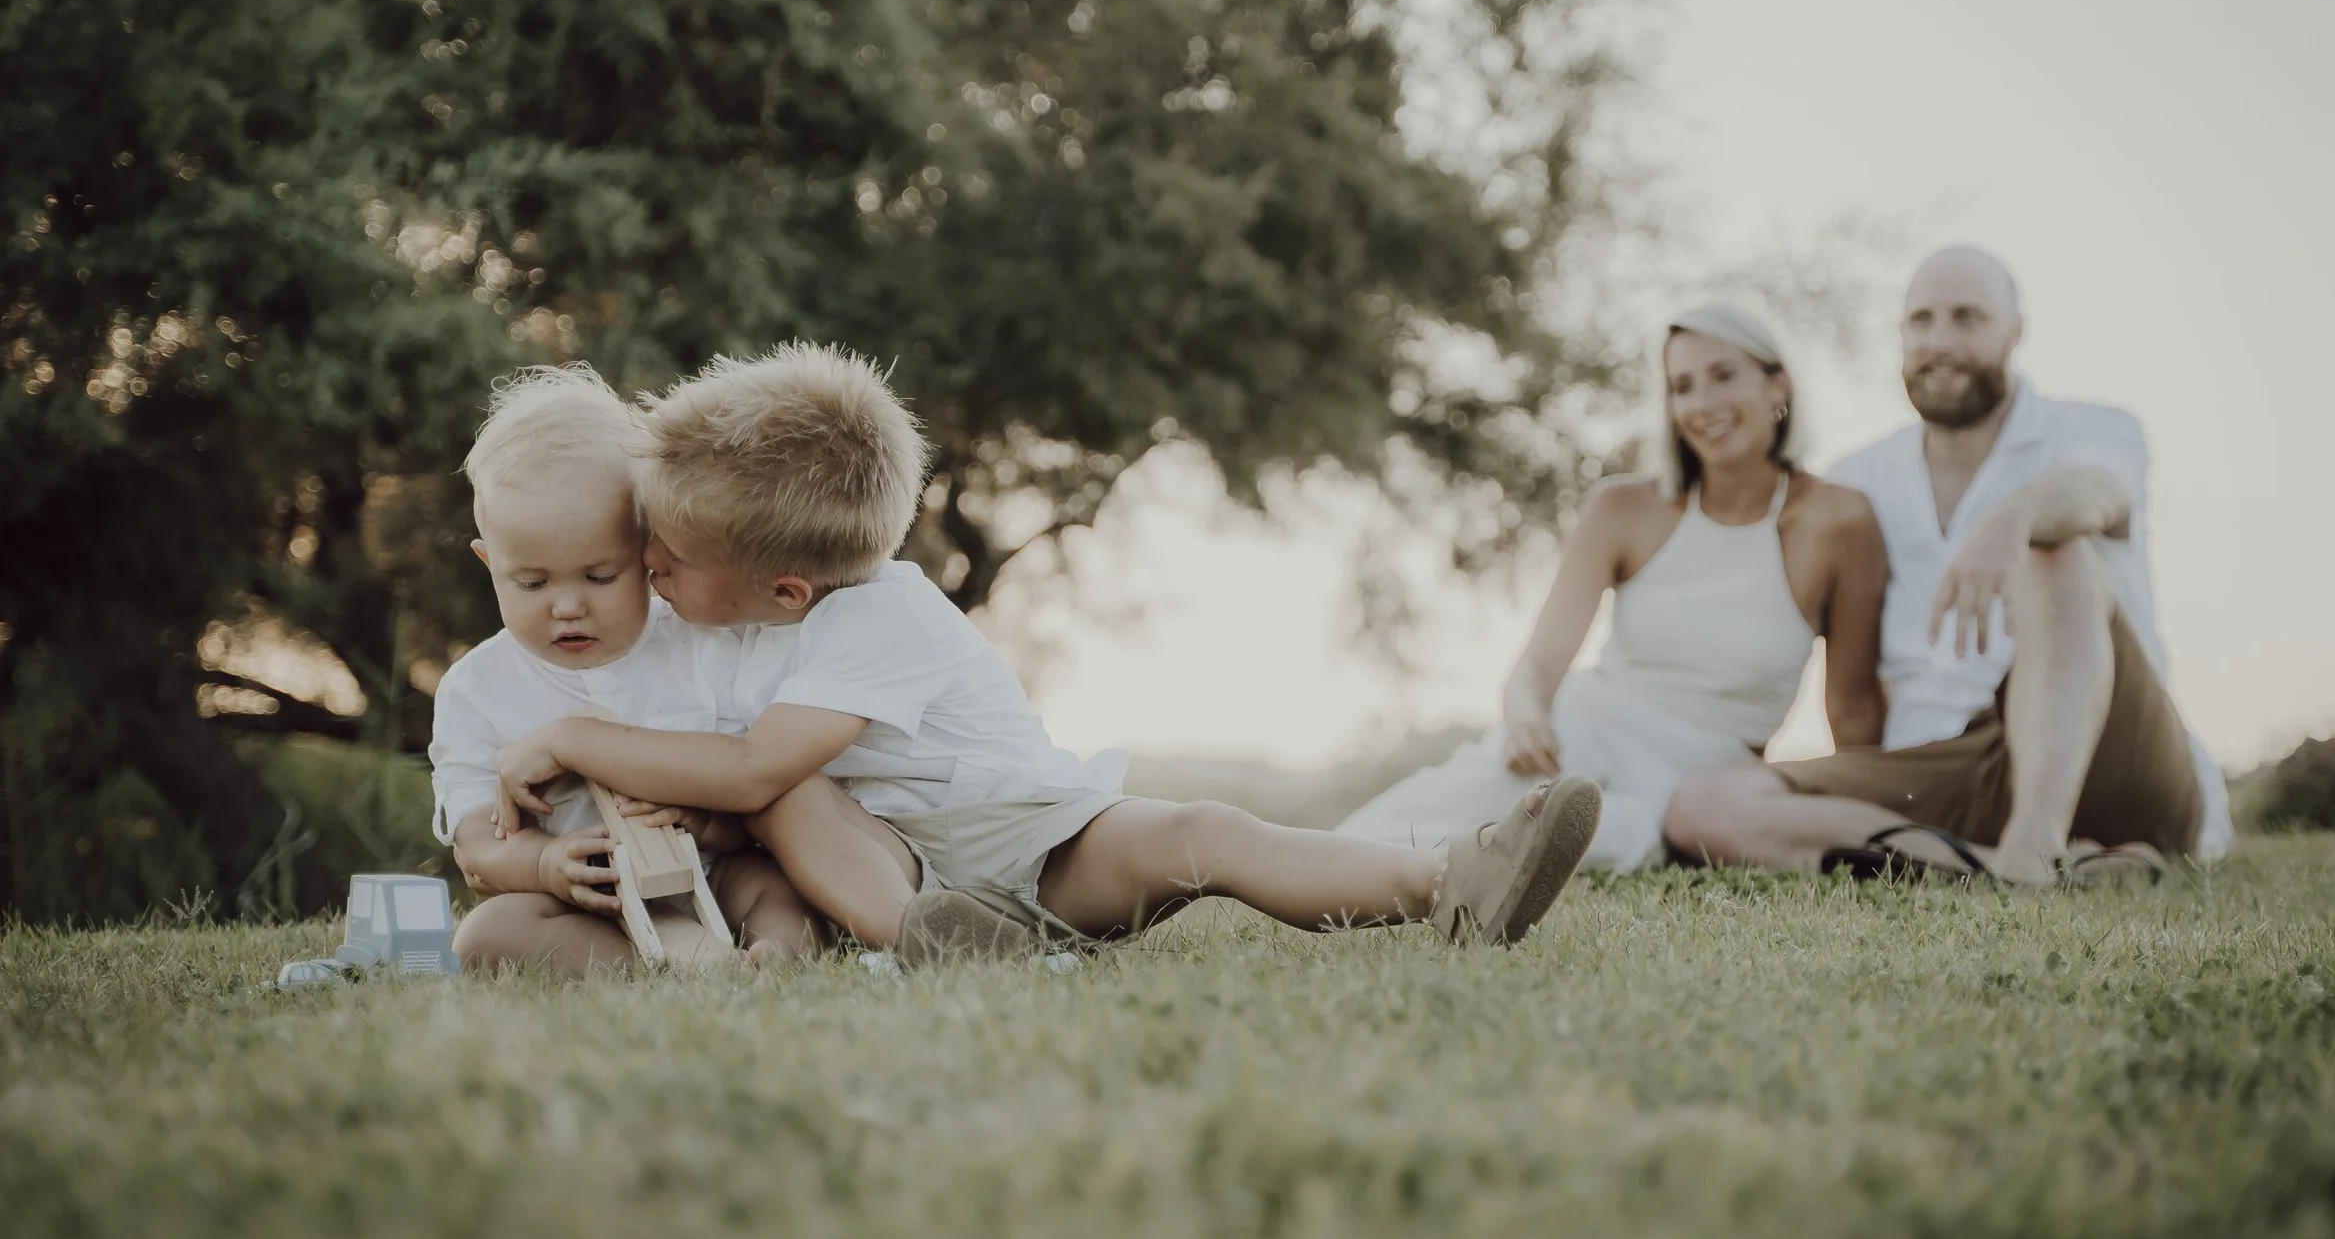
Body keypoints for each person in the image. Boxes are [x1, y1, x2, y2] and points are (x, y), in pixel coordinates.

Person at [484, 343, 1601, 963]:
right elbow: (725, 783)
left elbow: (744, 773)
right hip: (917, 875)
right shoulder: (719, 627)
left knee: (1206, 831)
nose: (652, 572)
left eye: (667, 555)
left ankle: (1452, 878)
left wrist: (580, 735)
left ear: (785, 586)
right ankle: (938, 944)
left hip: (1045, 845)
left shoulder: (884, 616)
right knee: (793, 796)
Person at [1664, 247, 2233, 886]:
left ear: (2014, 333)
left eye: (1967, 319)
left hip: (2111, 760)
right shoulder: (1860, 479)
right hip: (1942, 766)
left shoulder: (2091, 430)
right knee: (1703, 804)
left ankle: (2038, 840)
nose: (1940, 340)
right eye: (1922, 320)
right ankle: (2014, 868)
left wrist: (2011, 519)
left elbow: (2098, 496)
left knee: (2056, 556)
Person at [1337, 305, 1889, 871]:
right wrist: (1525, 712)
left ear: (1779, 384)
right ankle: (1295, 873)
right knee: (1408, 823)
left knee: (1605, 838)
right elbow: (1537, 667)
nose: (1702, 404)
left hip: (1696, 785)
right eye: (1682, 387)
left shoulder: (1841, 521)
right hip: (1579, 736)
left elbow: (1852, 710)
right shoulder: (1622, 509)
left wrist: (1866, 821)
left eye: (1724, 376)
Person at [433, 366, 831, 975]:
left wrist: (705, 822)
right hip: (589, 899)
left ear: (648, 552)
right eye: (532, 582)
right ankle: (657, 969)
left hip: (709, 874)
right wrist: (546, 865)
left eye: (600, 577)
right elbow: (479, 846)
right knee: (488, 934)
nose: (568, 605)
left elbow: (755, 797)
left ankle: (775, 957)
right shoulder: (477, 690)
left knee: (775, 887)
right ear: (490, 563)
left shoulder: (703, 647)